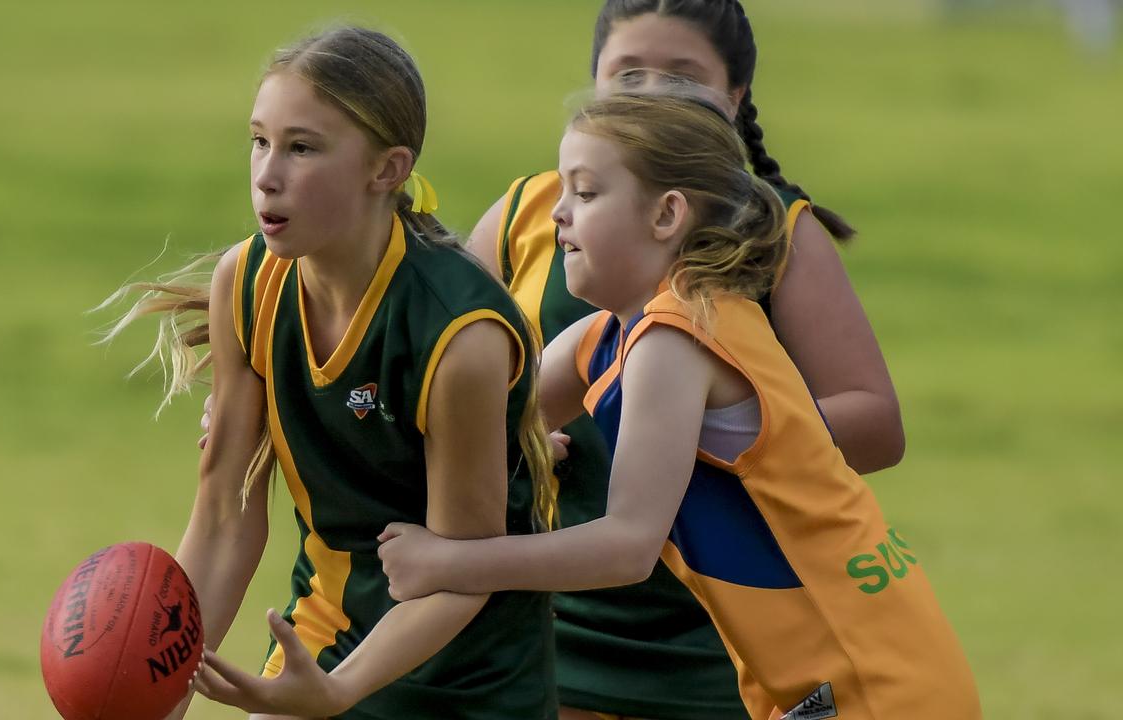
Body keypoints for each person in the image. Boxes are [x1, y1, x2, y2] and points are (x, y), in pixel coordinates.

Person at [377, 87, 981, 720]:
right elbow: (478, 418)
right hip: (841, 676)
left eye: (585, 193)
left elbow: (626, 547)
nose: (557, 213)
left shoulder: (676, 337)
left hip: (869, 684)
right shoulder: (613, 333)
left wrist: (451, 562)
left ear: (667, 215)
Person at [464, 3, 903, 718]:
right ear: (594, 82)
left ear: (734, 99)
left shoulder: (772, 232)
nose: (652, 93)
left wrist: (708, 435)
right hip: (543, 615)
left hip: (724, 638)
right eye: (629, 72)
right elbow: (452, 390)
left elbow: (876, 423)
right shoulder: (533, 213)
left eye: (684, 76)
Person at [108, 26, 557, 720]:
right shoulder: (249, 281)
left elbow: (461, 575)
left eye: (302, 147)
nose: (267, 173)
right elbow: (225, 513)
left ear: (388, 169)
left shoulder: (457, 335)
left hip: (467, 680)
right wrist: (156, 694)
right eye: (259, 140)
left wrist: (339, 694)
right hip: (324, 635)